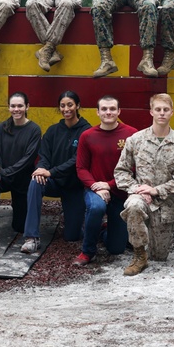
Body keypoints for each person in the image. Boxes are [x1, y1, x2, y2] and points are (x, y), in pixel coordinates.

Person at [114, 94, 174, 275]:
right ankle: (139, 256)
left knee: (159, 256)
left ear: (172, 112)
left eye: (166, 110)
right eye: (158, 109)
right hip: (141, 197)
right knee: (133, 206)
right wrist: (138, 190)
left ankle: (150, 252)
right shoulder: (136, 140)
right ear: (151, 112)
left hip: (165, 204)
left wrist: (156, 190)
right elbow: (121, 171)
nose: (162, 113)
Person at [73, 96, 138, 265]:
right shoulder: (87, 136)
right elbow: (81, 168)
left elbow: (134, 168)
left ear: (119, 111)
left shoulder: (131, 134)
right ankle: (87, 252)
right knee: (97, 207)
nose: (108, 112)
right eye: (104, 109)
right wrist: (97, 187)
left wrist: (109, 185)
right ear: (98, 112)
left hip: (120, 190)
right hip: (95, 190)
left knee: (116, 248)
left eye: (112, 109)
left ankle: (101, 231)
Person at [24, 91, 91, 252]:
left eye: (70, 105)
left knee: (72, 236)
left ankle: (80, 222)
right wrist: (41, 169)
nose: (66, 109)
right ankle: (31, 237)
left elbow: (76, 161)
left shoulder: (86, 131)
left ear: (78, 106)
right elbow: (44, 155)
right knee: (35, 181)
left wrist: (51, 172)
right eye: (62, 105)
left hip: (74, 186)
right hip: (53, 182)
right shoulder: (53, 130)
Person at [0, 93, 42, 247]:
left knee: (19, 227)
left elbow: (28, 159)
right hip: (3, 175)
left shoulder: (34, 129)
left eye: (20, 106)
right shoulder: (2, 127)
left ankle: (19, 215)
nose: (16, 109)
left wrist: (4, 171)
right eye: (13, 106)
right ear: (9, 107)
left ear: (27, 107)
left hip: (23, 179)